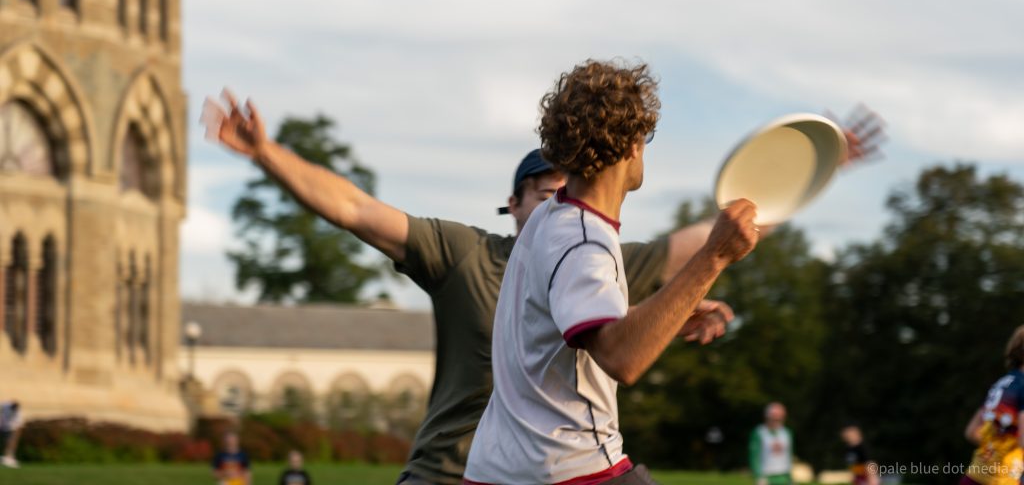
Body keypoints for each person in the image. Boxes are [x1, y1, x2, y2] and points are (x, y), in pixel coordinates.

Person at [203, 88, 883, 485]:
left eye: (570, 184)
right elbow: (354, 208)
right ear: (514, 203)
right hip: (448, 473)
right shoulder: (464, 253)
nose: (565, 196)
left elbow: (715, 236)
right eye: (546, 189)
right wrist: (267, 152)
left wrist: (805, 171)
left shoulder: (600, 255)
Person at [463, 59, 760, 484]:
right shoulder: (584, 239)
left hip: (496, 470)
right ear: (633, 145)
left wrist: (665, 317)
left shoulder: (550, 216)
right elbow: (622, 357)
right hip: (569, 467)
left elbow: (559, 324)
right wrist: (714, 256)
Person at [961, 325, 1024, 485]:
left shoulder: (1001, 383)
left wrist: (995, 448)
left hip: (974, 475)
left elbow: (971, 432)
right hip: (1003, 478)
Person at [749, 402, 793, 485]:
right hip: (766, 476)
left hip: (783, 476)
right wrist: (759, 475)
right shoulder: (759, 432)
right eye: (774, 417)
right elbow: (754, 456)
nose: (776, 420)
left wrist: (790, 476)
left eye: (779, 418)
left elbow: (789, 455)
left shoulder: (786, 433)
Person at [0, 401, 22, 469]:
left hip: (12, 428)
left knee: (10, 443)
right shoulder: (5, 405)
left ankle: (9, 457)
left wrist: (16, 434)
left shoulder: (18, 413)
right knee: (6, 442)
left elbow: (18, 425)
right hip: (3, 427)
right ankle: (7, 457)